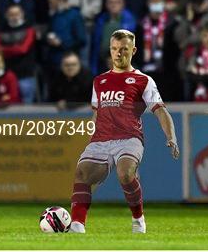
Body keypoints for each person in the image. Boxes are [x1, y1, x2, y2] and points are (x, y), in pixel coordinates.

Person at [68, 29, 179, 234]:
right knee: (82, 172)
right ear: (110, 50)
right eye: (115, 49)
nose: (119, 53)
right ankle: (77, 225)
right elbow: (96, 113)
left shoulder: (143, 80)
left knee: (125, 173)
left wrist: (171, 136)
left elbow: (161, 111)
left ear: (134, 50)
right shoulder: (99, 81)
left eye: (124, 49)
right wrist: (90, 138)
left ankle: (138, 219)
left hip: (129, 138)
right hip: (101, 139)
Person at [134, 0, 184, 101]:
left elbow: (177, 51)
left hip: (167, 76)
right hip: (146, 76)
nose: (156, 4)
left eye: (159, 1)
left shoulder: (173, 24)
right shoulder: (141, 25)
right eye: (153, 1)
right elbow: (136, 51)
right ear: (148, 3)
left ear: (164, 3)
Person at [0, 4, 37, 104]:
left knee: (26, 105)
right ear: (7, 16)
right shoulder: (1, 30)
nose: (14, 17)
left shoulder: (29, 29)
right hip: (6, 74)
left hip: (25, 74)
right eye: (11, 14)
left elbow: (23, 49)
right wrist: (14, 49)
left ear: (22, 14)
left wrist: (4, 50)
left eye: (17, 14)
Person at [90, 0, 137, 75]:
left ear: (123, 4)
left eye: (117, 2)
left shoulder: (131, 21)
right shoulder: (100, 21)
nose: (114, 5)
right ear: (106, 4)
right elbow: (96, 47)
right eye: (111, 2)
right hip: (102, 65)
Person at [45, 0, 87, 72]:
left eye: (51, 2)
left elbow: (82, 40)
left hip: (70, 62)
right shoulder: (53, 17)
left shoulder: (75, 15)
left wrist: (62, 43)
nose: (50, 5)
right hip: (54, 62)